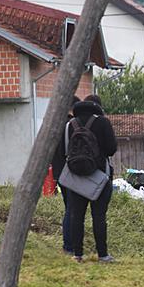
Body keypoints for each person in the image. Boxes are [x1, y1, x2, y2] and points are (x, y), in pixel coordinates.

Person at [53, 96, 117, 263]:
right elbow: (111, 149)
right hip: (99, 177)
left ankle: (78, 254)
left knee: (76, 216)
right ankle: (102, 254)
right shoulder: (103, 123)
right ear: (97, 108)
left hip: (76, 179)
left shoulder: (69, 126)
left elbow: (64, 151)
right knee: (99, 216)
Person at [50, 96, 80, 255]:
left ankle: (69, 244)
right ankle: (69, 245)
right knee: (72, 209)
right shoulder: (71, 125)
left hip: (59, 172)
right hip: (70, 171)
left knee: (69, 207)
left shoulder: (54, 125)